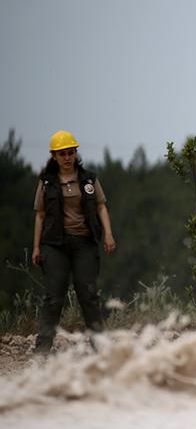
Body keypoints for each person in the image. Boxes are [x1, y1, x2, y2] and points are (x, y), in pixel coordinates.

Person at [31, 130, 116, 353]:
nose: (67, 158)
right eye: (62, 154)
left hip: (84, 242)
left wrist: (107, 233)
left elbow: (100, 206)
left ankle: (101, 348)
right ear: (54, 157)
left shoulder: (89, 179)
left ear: (75, 153)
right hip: (54, 244)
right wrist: (36, 247)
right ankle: (42, 350)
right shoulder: (47, 182)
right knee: (53, 297)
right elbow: (40, 215)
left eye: (70, 153)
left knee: (88, 294)